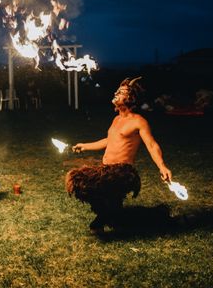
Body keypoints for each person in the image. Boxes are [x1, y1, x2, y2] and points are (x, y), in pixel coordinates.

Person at [67, 76, 173, 233]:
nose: (116, 93)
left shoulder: (138, 121)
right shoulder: (116, 119)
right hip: (106, 168)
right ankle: (113, 217)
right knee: (100, 196)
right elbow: (109, 140)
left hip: (122, 172)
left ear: (131, 98)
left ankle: (104, 219)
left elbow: (151, 145)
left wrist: (162, 167)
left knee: (80, 180)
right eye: (117, 90)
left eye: (122, 92)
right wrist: (85, 146)